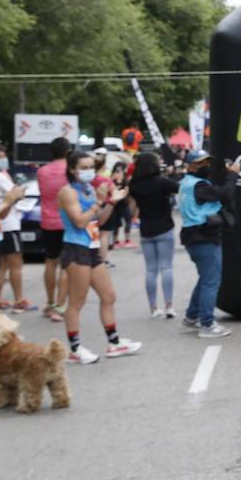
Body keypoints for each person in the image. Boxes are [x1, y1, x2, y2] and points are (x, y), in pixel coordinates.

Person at [56, 151, 142, 363]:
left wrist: (111, 202)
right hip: (76, 248)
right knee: (77, 301)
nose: (89, 171)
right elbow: (79, 221)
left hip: (92, 248)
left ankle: (114, 343)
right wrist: (99, 202)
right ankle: (75, 350)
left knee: (108, 296)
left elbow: (99, 220)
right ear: (73, 169)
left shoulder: (88, 189)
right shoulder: (68, 192)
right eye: (84, 167)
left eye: (91, 167)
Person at [178, 150, 237, 339]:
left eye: (208, 162)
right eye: (201, 163)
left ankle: (191, 317)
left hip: (195, 236)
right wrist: (233, 174)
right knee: (211, 281)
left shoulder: (187, 183)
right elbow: (226, 194)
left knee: (205, 278)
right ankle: (207, 325)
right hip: (203, 237)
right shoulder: (199, 186)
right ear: (190, 165)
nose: (206, 166)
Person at [128, 151, 181, 318]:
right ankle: (169, 305)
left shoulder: (134, 185)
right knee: (167, 267)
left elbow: (132, 208)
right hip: (164, 226)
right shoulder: (162, 182)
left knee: (151, 270)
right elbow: (180, 189)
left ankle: (153, 307)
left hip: (146, 228)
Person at [0, 147, 33, 312]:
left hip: (1, 225)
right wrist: (19, 192)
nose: (2, 159)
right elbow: (13, 195)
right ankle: (18, 300)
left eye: (4, 156)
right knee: (15, 264)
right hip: (8, 224)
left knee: (0, 266)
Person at [36, 136, 72, 323]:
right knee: (65, 266)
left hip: (48, 221)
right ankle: (59, 306)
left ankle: (50, 303)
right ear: (68, 151)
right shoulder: (70, 170)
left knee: (50, 262)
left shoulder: (42, 171)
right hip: (67, 221)